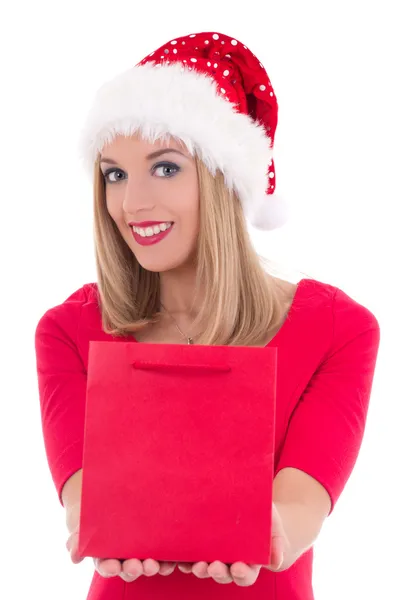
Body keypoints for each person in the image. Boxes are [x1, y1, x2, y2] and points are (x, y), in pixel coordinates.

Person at [34, 30, 381, 600]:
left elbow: (301, 503)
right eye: (114, 174)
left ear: (224, 180)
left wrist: (270, 534)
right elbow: (83, 499)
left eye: (165, 168)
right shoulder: (69, 333)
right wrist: (94, 522)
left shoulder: (338, 330)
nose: (130, 203)